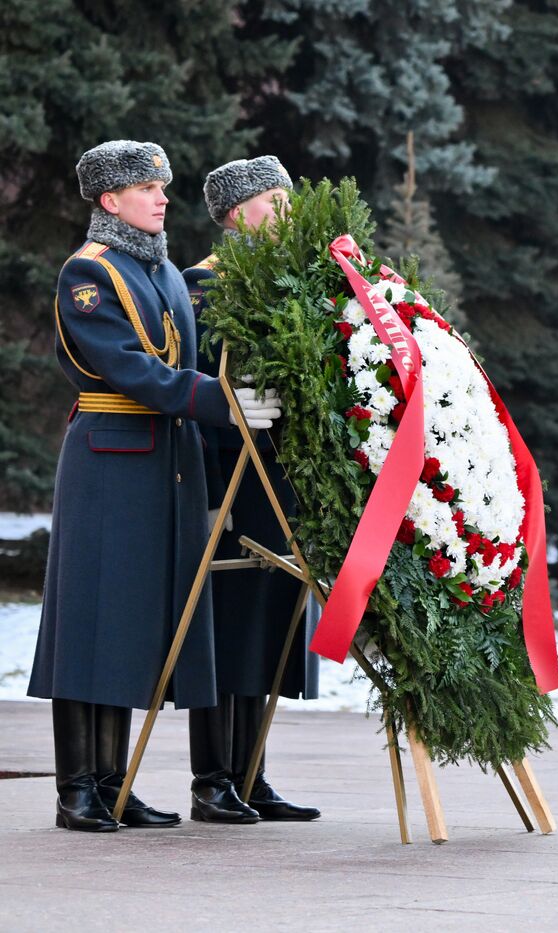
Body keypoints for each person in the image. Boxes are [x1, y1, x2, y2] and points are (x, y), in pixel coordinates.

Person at [29, 140, 283, 832]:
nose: (162, 197)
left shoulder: (163, 269)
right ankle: (76, 787)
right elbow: (129, 368)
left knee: (132, 625)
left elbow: (190, 358)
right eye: (147, 187)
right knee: (90, 622)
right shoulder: (89, 273)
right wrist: (223, 401)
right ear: (110, 201)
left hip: (162, 458)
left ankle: (114, 784)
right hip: (109, 454)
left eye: (161, 186)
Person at [182, 156, 320, 823]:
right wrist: (211, 491)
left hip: (280, 478)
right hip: (232, 475)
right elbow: (200, 390)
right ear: (238, 213)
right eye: (275, 200)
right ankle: (212, 779)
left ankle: (253, 772)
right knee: (225, 626)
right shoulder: (202, 287)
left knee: (270, 626)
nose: (287, 212)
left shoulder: (289, 280)